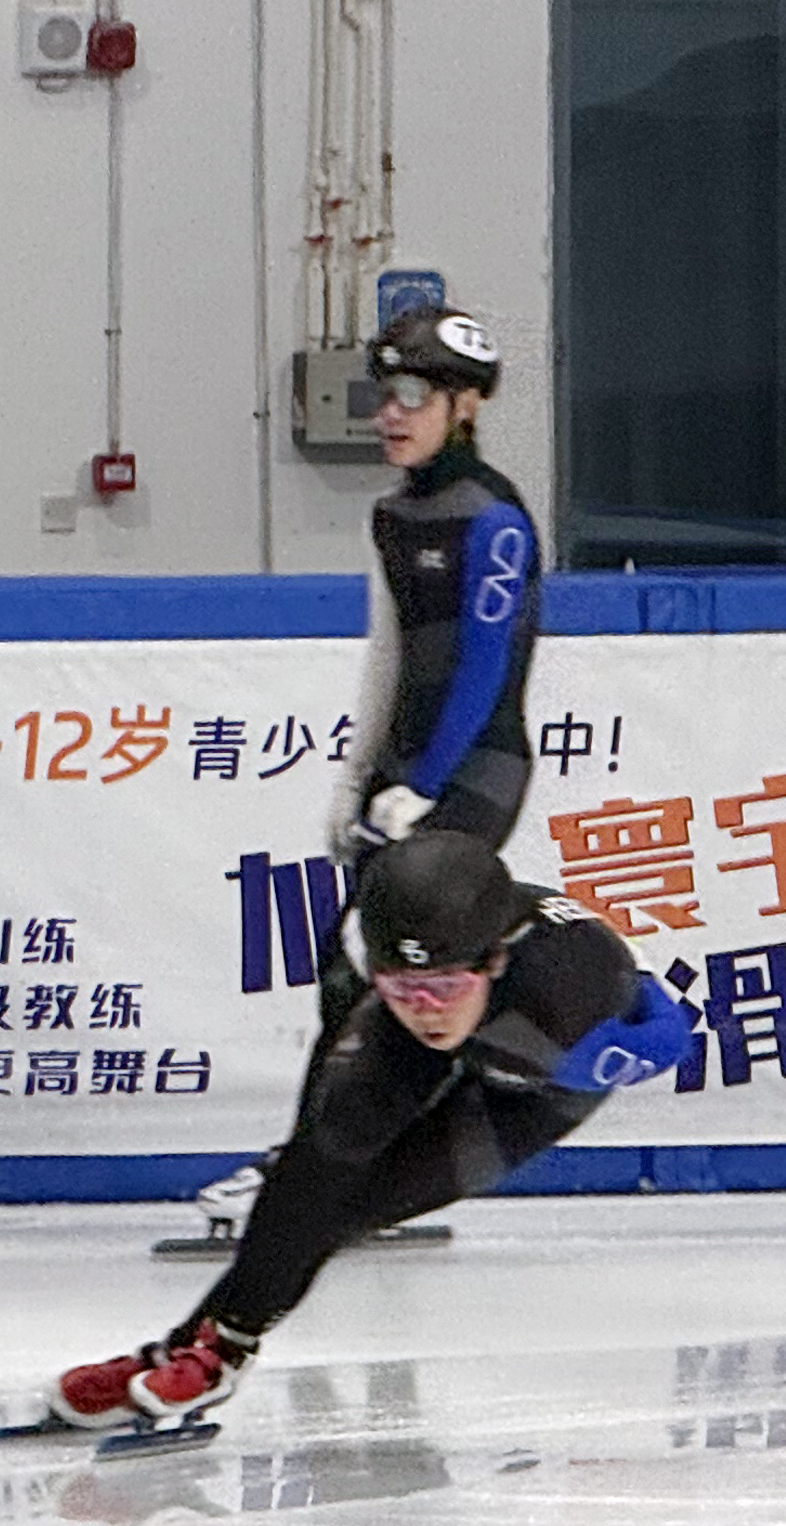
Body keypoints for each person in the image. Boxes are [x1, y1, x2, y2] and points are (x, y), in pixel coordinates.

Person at [65, 833, 686, 1429]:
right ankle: (201, 1353)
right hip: (458, 1028)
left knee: (362, 1203)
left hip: (536, 1086)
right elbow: (326, 1132)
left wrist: (604, 1033)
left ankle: (206, 1350)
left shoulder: (575, 994)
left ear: (494, 961)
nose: (425, 1008)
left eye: (445, 987)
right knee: (313, 1171)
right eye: (401, 987)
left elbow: (671, 1037)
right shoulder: (373, 959)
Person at [190, 304, 545, 1247]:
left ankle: (321, 1171)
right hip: (401, 775)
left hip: (474, 771)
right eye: (382, 394)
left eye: (413, 395)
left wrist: (424, 784)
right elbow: (387, 656)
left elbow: (481, 669)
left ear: (464, 406)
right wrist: (357, 778)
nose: (390, 413)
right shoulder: (391, 515)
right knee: (359, 974)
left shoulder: (493, 518)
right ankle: (345, 1163)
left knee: (377, 962)